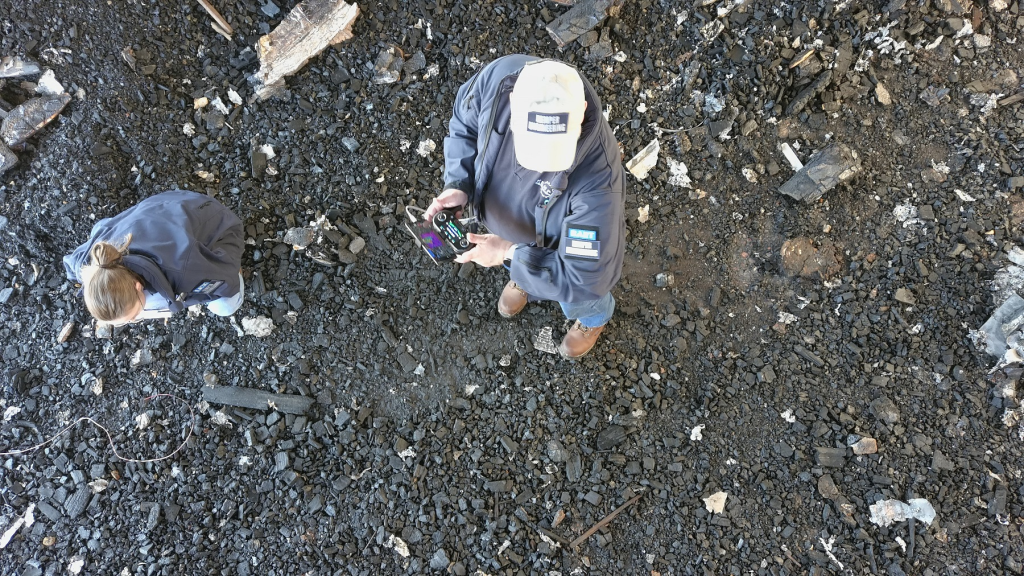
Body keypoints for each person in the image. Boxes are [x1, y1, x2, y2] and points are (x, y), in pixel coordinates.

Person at [425, 55, 625, 359]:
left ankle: (593, 318)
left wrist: (507, 252)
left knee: (581, 299)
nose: (541, 165)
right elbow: (464, 124)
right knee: (523, 258)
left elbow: (584, 279)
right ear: (513, 99)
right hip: (514, 230)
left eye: (553, 151)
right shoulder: (498, 78)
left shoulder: (600, 185)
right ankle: (526, 273)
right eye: (530, 145)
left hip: (557, 246)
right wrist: (458, 183)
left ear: (581, 111)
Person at [64, 190, 245, 325]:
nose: (132, 321)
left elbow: (227, 281)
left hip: (218, 220)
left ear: (138, 286)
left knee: (225, 306)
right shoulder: (96, 259)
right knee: (146, 301)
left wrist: (178, 303)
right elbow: (76, 256)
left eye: (133, 318)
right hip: (170, 203)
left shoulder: (182, 269)